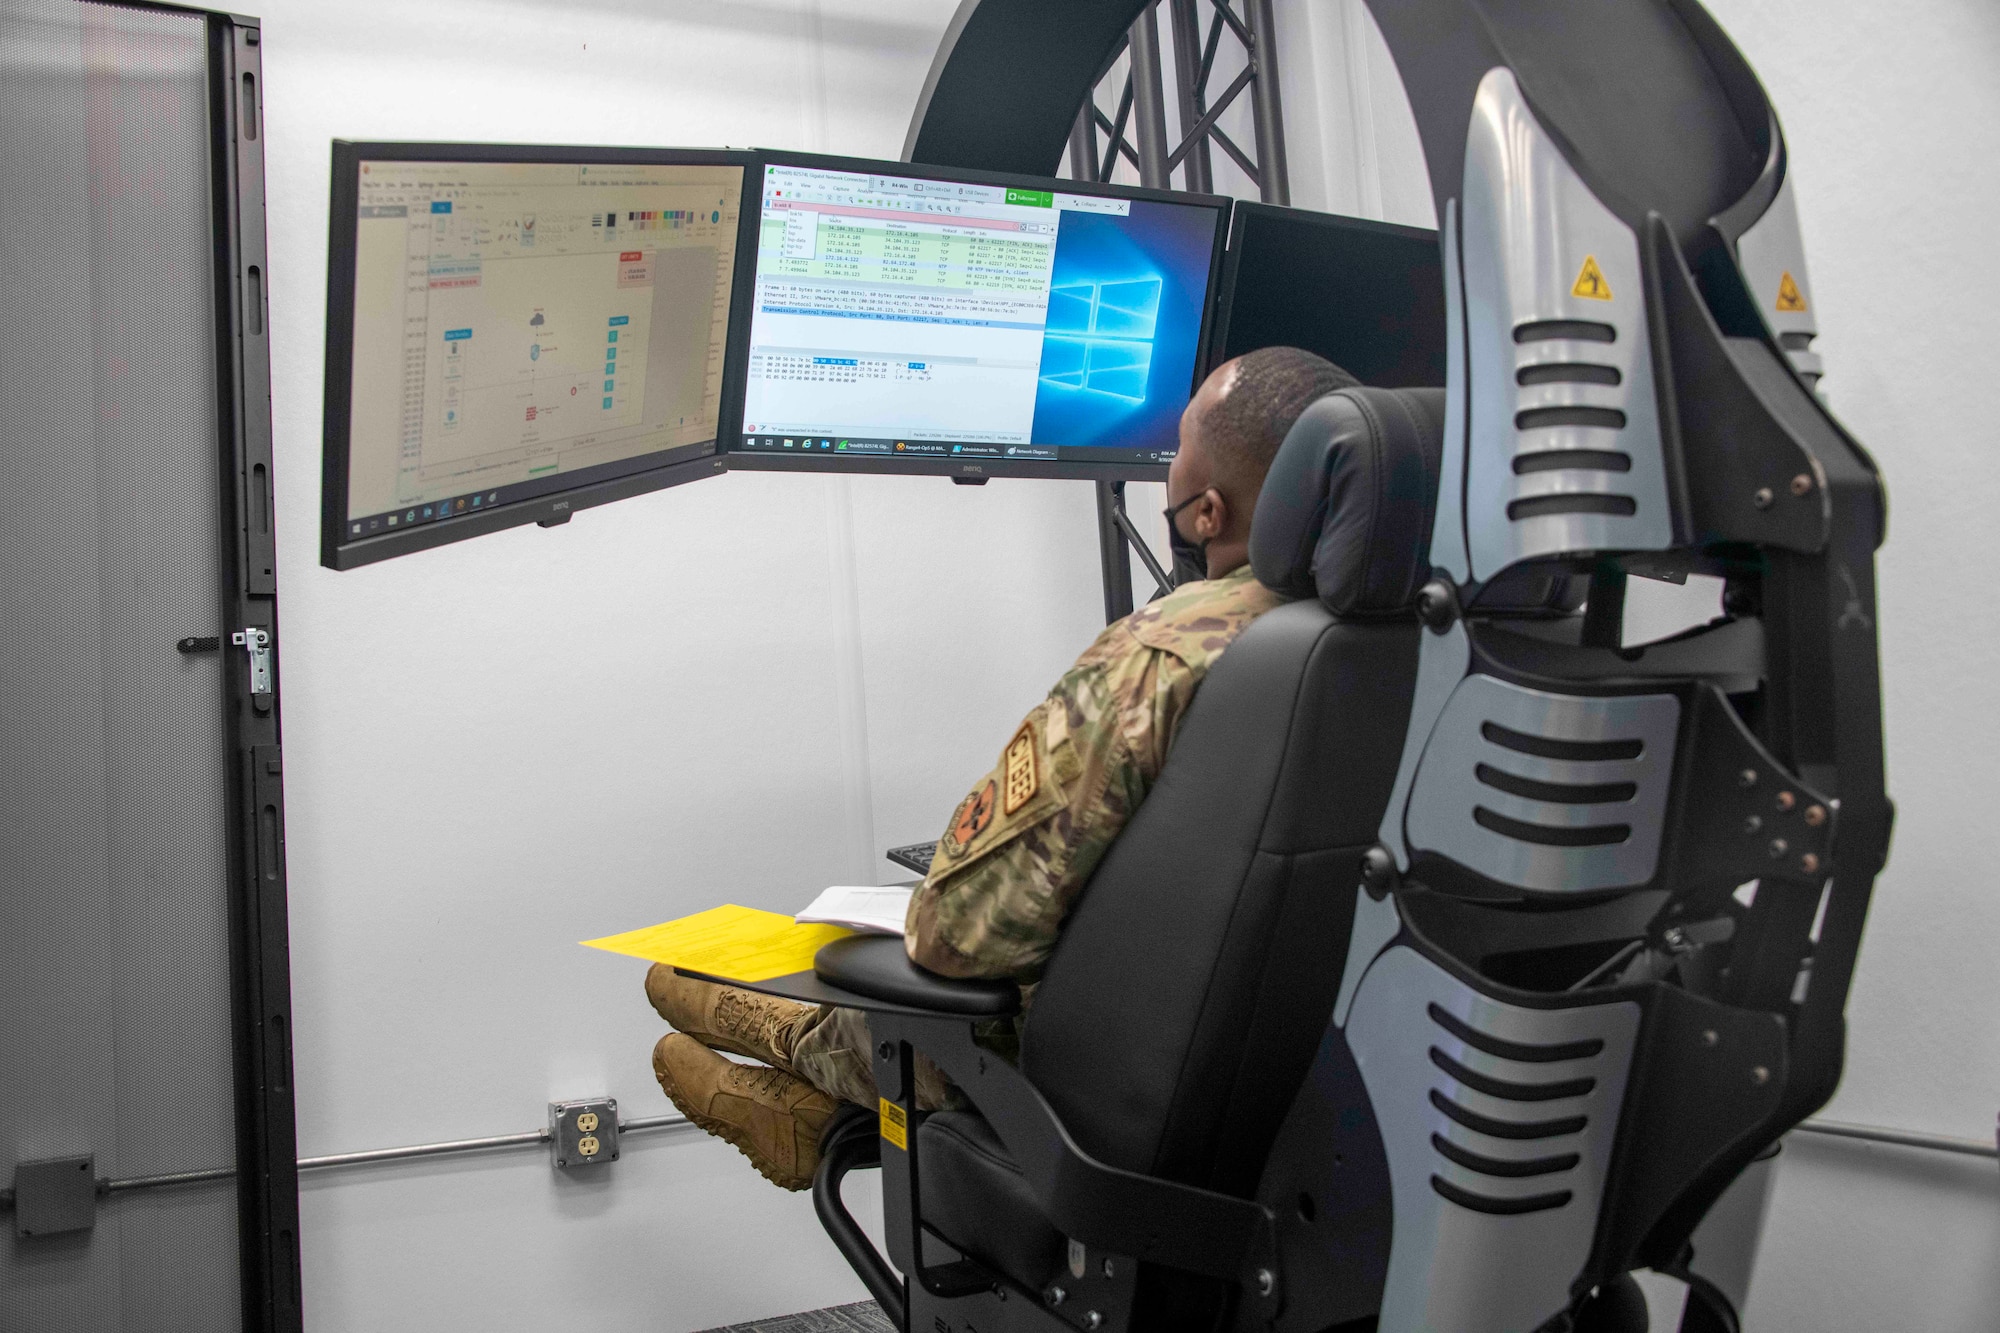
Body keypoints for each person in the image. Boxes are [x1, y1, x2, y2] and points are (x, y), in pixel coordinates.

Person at [646, 347, 1360, 1189]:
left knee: (807, 989)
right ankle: (806, 1106)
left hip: (1100, 1078)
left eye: (1179, 442)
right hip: (1323, 1089)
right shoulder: (1454, 647)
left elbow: (958, 934)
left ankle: (803, 1051)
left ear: (1205, 513)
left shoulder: (1170, 650)